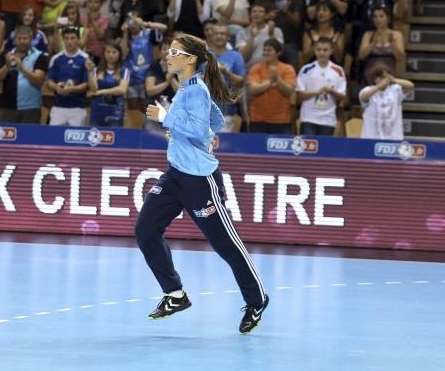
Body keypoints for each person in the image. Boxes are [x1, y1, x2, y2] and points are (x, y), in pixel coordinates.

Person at [137, 32, 269, 333]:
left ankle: (257, 299)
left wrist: (165, 117)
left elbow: (198, 129)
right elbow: (215, 121)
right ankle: (175, 294)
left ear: (190, 59)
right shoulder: (188, 88)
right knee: (145, 230)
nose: (168, 55)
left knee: (226, 245)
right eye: (169, 50)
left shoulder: (196, 90)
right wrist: (199, 134)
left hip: (200, 180)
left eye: (174, 51)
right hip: (175, 176)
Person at [0, 25, 48, 124]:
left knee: (29, 139)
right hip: (8, 107)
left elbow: (39, 80)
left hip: (31, 108)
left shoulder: (39, 56)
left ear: (31, 39)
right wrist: (6, 66)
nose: (22, 41)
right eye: (19, 38)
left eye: (25, 38)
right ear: (14, 40)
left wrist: (21, 67)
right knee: (4, 139)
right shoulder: (6, 55)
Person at [296, 38, 347, 136]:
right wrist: (317, 92)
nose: (321, 53)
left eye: (325, 50)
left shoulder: (338, 70)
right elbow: (300, 95)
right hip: (308, 118)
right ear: (314, 50)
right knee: (308, 150)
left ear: (331, 51)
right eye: (319, 50)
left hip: (327, 119)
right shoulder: (306, 69)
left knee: (325, 150)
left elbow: (342, 97)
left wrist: (331, 91)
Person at [247, 39, 296, 134]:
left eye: (269, 50)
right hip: (258, 119)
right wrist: (270, 82)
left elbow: (289, 91)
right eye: (264, 50)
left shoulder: (288, 69)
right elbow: (253, 90)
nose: (265, 53)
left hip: (281, 120)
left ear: (278, 53)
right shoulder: (256, 68)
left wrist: (277, 79)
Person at [46, 26, 89, 126]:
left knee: (76, 140)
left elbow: (86, 85)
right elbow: (49, 81)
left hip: (78, 108)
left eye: (73, 38)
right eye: (66, 38)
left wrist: (70, 89)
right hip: (58, 108)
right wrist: (56, 87)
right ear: (63, 40)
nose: (69, 41)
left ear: (78, 40)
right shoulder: (56, 58)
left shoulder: (85, 58)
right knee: (54, 138)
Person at [359, 66, 414, 140]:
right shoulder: (367, 90)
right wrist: (378, 87)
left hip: (394, 137)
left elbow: (410, 85)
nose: (383, 80)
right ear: (375, 79)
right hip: (371, 137)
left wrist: (393, 79)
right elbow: (363, 97)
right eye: (380, 77)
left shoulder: (395, 89)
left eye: (385, 78)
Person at [85, 42, 130, 127]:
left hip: (116, 114)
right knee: (94, 139)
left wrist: (100, 92)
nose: (111, 55)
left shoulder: (125, 71)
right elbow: (94, 89)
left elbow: (121, 90)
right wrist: (90, 73)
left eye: (114, 52)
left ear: (119, 54)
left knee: (116, 139)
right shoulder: (96, 70)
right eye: (108, 52)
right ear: (104, 54)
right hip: (97, 113)